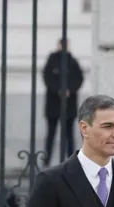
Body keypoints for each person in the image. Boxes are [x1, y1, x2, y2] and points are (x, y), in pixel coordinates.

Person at [42, 38, 84, 167]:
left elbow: (79, 78)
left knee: (69, 134)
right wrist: (58, 90)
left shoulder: (72, 61)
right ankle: (46, 159)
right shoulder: (52, 60)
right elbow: (47, 77)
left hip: (69, 104)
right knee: (51, 133)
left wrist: (69, 90)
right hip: (54, 103)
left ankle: (71, 159)